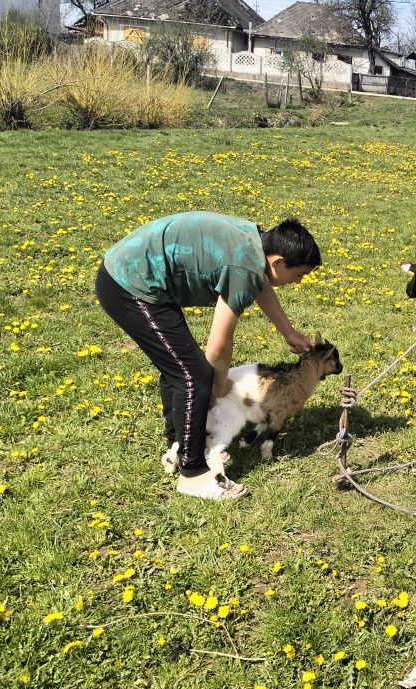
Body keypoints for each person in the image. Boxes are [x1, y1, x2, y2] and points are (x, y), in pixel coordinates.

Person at [95, 212, 320, 500]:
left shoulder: (257, 243)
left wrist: (288, 332)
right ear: (278, 262)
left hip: (142, 272)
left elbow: (261, 282)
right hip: (129, 283)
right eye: (299, 274)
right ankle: (194, 475)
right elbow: (217, 348)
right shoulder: (245, 269)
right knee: (194, 375)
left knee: (180, 367)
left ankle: (182, 446)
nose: (298, 282)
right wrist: (220, 384)